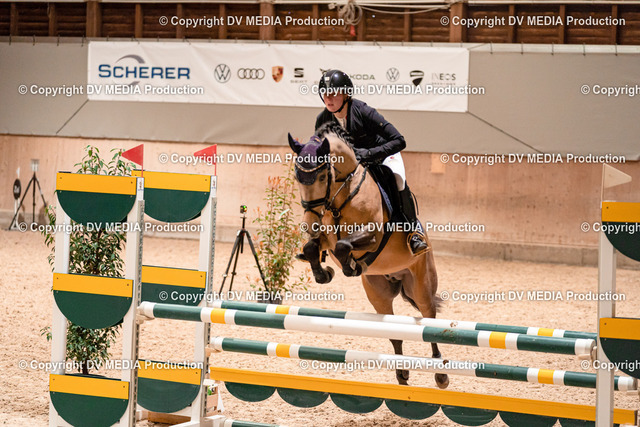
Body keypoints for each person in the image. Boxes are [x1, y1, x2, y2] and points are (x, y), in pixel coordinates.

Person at [315, 69, 429, 256]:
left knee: (398, 180)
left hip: (383, 156)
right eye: (325, 93)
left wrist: (368, 154)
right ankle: (321, 236)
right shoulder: (323, 119)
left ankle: (413, 233)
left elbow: (399, 140)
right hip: (354, 166)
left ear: (346, 94)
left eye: (334, 93)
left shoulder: (363, 111)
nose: (328, 98)